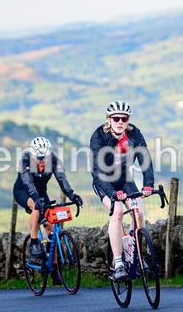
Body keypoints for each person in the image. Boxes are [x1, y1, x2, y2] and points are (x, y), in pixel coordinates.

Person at [90, 101, 155, 281]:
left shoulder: (134, 133)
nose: (120, 122)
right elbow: (98, 171)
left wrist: (148, 184)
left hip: (125, 178)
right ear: (109, 120)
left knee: (139, 212)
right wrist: (112, 193)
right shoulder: (98, 136)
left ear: (128, 121)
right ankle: (118, 263)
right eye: (116, 118)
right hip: (103, 181)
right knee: (117, 212)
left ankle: (135, 254)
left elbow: (145, 159)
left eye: (124, 119)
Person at [13, 137, 83, 283]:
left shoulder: (54, 161)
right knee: (36, 209)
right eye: (39, 158)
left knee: (51, 228)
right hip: (24, 191)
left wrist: (72, 195)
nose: (42, 161)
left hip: (41, 192)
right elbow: (27, 182)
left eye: (44, 157)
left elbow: (62, 178)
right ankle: (33, 243)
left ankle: (55, 268)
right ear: (33, 155)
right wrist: (35, 199)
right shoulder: (25, 160)